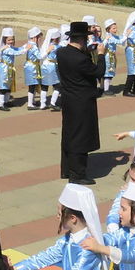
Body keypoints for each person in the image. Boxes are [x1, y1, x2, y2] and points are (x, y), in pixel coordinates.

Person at [56, 21, 101, 184]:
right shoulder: (81, 60)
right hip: (82, 102)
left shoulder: (62, 53)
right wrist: (101, 55)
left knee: (69, 133)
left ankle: (66, 169)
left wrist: (87, 52)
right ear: (82, 39)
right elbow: (98, 71)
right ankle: (78, 174)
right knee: (80, 136)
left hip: (68, 99)